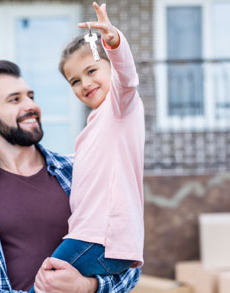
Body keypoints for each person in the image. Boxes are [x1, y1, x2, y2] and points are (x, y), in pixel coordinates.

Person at [0, 49, 140, 292]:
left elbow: (128, 259)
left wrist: (88, 287)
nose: (31, 105)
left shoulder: (77, 170)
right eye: (15, 100)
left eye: (30, 96)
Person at [32, 2, 145, 291]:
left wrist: (114, 43)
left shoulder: (120, 108)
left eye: (92, 70)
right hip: (93, 237)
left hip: (99, 238)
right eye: (75, 81)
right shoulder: (94, 126)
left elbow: (128, 80)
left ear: (109, 66)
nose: (85, 83)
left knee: (44, 285)